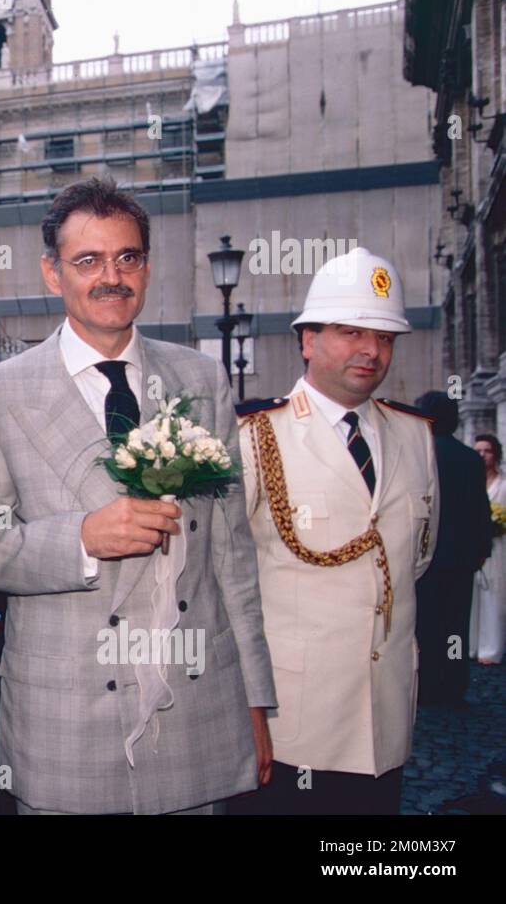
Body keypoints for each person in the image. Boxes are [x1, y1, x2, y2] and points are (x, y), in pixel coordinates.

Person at [0, 178, 276, 815]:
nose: (112, 276)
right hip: (64, 722)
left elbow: (234, 560)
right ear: (53, 274)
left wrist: (256, 700)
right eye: (88, 261)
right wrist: (79, 539)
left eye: (127, 258)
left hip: (194, 708)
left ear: (147, 269)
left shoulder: (202, 379)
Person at [233, 247, 438, 815]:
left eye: (385, 337)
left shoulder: (415, 437)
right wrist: (245, 708)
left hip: (386, 718)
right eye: (352, 332)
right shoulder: (256, 437)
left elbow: (414, 560)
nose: (372, 351)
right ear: (308, 340)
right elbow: (227, 586)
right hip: (293, 724)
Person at [412, 393, 491, 704]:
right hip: (460, 558)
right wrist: (480, 551)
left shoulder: (418, 457)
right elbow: (479, 510)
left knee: (425, 624)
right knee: (456, 623)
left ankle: (427, 681)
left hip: (423, 557)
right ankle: (453, 681)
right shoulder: (470, 458)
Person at [471, 433, 506, 665]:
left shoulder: (503, 484)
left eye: (487, 451)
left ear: (496, 454)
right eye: (479, 451)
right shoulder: (471, 481)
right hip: (474, 545)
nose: (483, 455)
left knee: (494, 592)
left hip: (498, 545)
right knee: (473, 594)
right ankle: (472, 644)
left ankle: (491, 647)